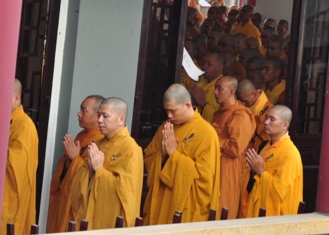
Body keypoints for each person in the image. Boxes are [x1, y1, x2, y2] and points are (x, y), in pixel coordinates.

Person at [143, 84, 220, 225]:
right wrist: (163, 156)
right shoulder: (166, 127)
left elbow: (204, 178)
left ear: (187, 105)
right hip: (161, 199)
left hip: (184, 205)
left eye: (173, 111)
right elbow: (149, 157)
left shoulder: (206, 133)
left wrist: (174, 155)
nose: (169, 116)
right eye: (166, 111)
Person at [70, 98, 143, 229]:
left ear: (121, 119)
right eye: (99, 115)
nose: (99, 120)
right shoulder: (98, 144)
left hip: (111, 220)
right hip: (90, 215)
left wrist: (99, 170)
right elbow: (79, 180)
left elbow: (126, 191)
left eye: (105, 116)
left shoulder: (131, 149)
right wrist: (91, 172)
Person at [47, 96, 105, 233]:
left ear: (97, 116)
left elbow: (93, 175)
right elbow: (68, 170)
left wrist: (75, 158)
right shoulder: (81, 135)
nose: (79, 114)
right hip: (66, 197)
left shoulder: (101, 140)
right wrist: (68, 160)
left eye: (84, 111)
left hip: (78, 204)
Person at [244, 105, 303, 217]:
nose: (266, 122)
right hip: (258, 208)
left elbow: (280, 191)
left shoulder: (289, 153)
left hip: (274, 215)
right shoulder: (265, 146)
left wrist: (261, 171)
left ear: (285, 125)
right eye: (266, 118)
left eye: (272, 119)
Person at [211, 77, 255, 219]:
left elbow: (235, 149)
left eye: (219, 89)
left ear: (231, 92)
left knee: (223, 208)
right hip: (215, 166)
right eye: (215, 88)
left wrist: (212, 139)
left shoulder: (240, 115)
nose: (215, 92)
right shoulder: (222, 112)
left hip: (229, 169)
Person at [1, 79, 39, 235]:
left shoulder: (24, 126)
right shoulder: (4, 121)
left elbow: (15, 166)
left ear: (16, 99)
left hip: (9, 200)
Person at [235, 79, 272, 217]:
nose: (243, 104)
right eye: (240, 101)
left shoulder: (268, 110)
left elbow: (265, 138)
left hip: (255, 161)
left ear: (254, 94)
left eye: (245, 101)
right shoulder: (244, 107)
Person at [187, 52, 224, 123]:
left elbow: (218, 116)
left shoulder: (224, 87)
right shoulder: (201, 84)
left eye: (209, 64)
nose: (204, 67)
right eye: (203, 63)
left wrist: (203, 103)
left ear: (220, 68)